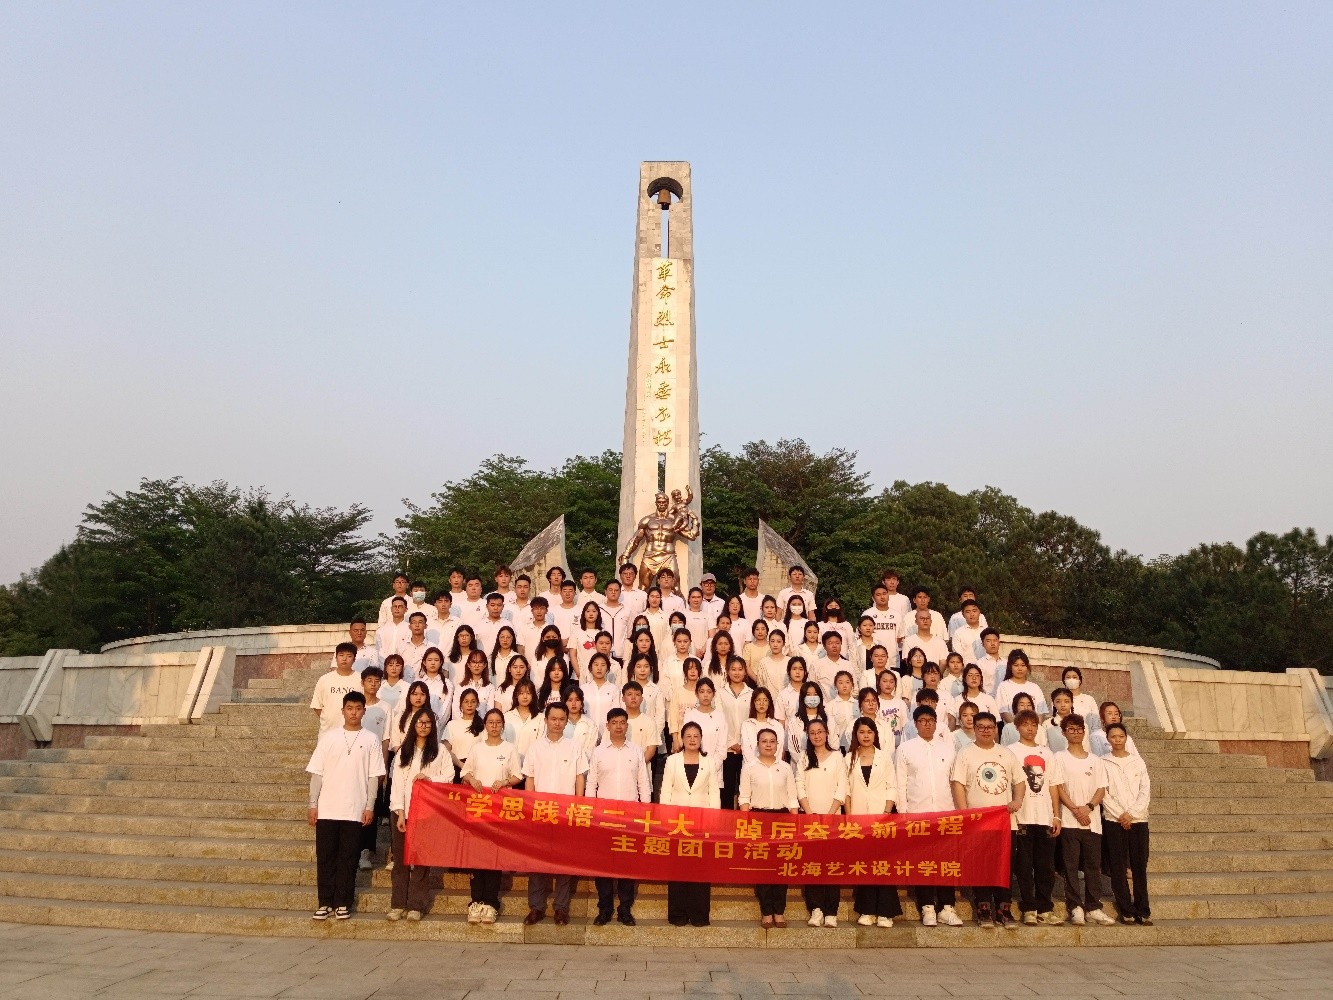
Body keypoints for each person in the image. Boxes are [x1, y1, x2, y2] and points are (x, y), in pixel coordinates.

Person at [306, 691, 386, 920]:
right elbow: (317, 774)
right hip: (327, 808)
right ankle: (325, 902)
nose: (353, 713)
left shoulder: (371, 739)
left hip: (355, 809)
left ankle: (343, 902)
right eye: (349, 708)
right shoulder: (328, 738)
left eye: (358, 708)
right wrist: (313, 804)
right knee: (326, 857)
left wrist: (370, 806)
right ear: (342, 711)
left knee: (349, 858)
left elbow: (374, 777)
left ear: (364, 711)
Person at [949, 712, 1024, 928]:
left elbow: (1020, 781)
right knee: (981, 865)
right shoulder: (965, 753)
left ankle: (1003, 908)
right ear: (974, 729)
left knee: (1004, 866)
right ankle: (983, 908)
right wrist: (965, 814)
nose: (985, 730)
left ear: (996, 729)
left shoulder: (1006, 753)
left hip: (1004, 821)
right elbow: (957, 784)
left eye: (990, 727)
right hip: (978, 821)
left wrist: (1017, 800)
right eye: (981, 727)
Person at [895, 705, 965, 927]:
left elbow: (955, 782)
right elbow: (900, 783)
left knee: (945, 862)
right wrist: (903, 813)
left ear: (936, 723)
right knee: (923, 862)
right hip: (918, 813)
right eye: (922, 721)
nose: (927, 724)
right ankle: (927, 907)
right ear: (915, 724)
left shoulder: (948, 749)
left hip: (945, 812)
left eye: (931, 720)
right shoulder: (905, 749)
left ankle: (947, 907)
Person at [522, 703, 588, 925]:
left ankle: (561, 907)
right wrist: (530, 807)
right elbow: (529, 779)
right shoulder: (535, 748)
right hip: (541, 812)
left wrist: (577, 805)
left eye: (561, 719)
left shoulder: (574, 747)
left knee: (564, 861)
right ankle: (536, 907)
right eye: (553, 719)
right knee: (536, 861)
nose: (557, 723)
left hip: (566, 813)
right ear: (546, 720)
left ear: (566, 721)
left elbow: (580, 777)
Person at [587, 707, 652, 925]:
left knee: (627, 864)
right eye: (614, 722)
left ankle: (625, 909)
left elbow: (643, 783)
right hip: (603, 817)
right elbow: (591, 784)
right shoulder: (598, 752)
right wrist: (592, 813)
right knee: (603, 865)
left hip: (630, 817)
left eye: (622, 722)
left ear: (627, 725)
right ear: (607, 725)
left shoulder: (636, 751)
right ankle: (604, 909)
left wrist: (645, 812)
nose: (618, 726)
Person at [386, 706, 449, 921]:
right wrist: (400, 812)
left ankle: (416, 905)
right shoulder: (404, 751)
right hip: (402, 811)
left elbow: (448, 777)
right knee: (401, 859)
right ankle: (398, 904)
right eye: (420, 722)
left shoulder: (440, 751)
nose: (423, 726)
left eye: (428, 723)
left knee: (421, 859)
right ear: (414, 725)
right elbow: (397, 784)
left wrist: (430, 779)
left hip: (427, 813)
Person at [461, 707, 522, 924]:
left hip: (498, 809)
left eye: (498, 722)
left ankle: (490, 903)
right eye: (490, 722)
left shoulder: (510, 748)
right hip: (478, 808)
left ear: (502, 725)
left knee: (493, 856)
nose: (494, 726)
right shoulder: (477, 748)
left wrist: (504, 782)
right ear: (485, 725)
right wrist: (472, 779)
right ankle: (475, 901)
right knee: (476, 856)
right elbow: (465, 772)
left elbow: (517, 776)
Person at [1054, 714, 1115, 926]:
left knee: (1092, 866)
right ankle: (1075, 907)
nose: (1076, 732)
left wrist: (1087, 808)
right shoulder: (1059, 758)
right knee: (1070, 866)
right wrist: (1075, 810)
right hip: (1070, 820)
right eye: (1071, 729)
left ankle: (1093, 907)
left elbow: (1101, 788)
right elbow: (1058, 787)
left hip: (1092, 821)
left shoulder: (1095, 760)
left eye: (1079, 729)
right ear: (1064, 733)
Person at [660, 720, 720, 925]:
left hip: (702, 823)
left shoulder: (709, 762)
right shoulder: (672, 761)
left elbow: (714, 793)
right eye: (688, 736)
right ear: (682, 739)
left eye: (696, 736)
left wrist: (713, 821)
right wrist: (666, 820)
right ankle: (677, 914)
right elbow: (666, 791)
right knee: (678, 868)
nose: (692, 740)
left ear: (701, 739)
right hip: (677, 823)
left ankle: (699, 914)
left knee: (700, 868)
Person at [846, 717, 902, 927]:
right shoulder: (849, 758)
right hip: (859, 819)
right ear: (856, 735)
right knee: (865, 864)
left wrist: (887, 812)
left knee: (883, 864)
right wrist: (850, 817)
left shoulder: (884, 757)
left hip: (882, 817)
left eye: (869, 732)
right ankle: (867, 910)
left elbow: (892, 786)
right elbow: (846, 790)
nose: (866, 736)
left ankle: (886, 912)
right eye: (862, 732)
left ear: (875, 735)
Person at [1011, 708, 1065, 926]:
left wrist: (1056, 816)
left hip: (1044, 817)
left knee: (1046, 867)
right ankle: (1029, 908)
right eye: (1025, 725)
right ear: (1017, 727)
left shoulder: (1047, 753)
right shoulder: (1010, 751)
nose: (1030, 729)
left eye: (1034, 725)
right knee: (1024, 866)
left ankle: (1045, 907)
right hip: (1021, 817)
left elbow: (1053, 785)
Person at [740, 727, 798, 927]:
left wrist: (795, 822)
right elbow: (744, 797)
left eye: (772, 741)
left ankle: (779, 911)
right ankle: (766, 911)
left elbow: (792, 797)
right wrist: (746, 822)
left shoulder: (785, 767)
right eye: (764, 741)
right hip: (759, 819)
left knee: (781, 866)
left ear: (777, 745)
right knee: (763, 867)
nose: (768, 745)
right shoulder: (749, 767)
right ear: (758, 745)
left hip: (782, 819)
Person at [1101, 722, 1152, 925]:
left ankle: (1143, 909)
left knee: (1139, 866)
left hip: (1138, 819)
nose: (1117, 740)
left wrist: (1132, 814)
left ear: (1126, 738)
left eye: (1121, 736)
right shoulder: (1103, 762)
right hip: (1114, 820)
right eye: (1113, 736)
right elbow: (1103, 792)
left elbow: (1145, 790)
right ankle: (1126, 909)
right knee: (1118, 865)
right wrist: (1120, 815)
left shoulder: (1137, 762)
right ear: (1108, 739)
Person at [796, 718, 846, 928]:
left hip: (833, 819)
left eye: (820, 732)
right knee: (813, 865)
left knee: (832, 865)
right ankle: (816, 909)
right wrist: (810, 814)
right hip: (810, 819)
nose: (817, 736)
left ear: (826, 733)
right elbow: (799, 785)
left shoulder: (837, 757)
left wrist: (830, 815)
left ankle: (831, 911)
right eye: (813, 733)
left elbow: (842, 786)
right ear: (808, 736)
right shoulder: (804, 758)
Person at [357, 667, 390, 871]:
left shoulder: (385, 708)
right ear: (362, 682)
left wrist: (383, 767)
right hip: (354, 763)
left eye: (377, 681)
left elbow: (386, 739)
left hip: (374, 764)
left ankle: (366, 851)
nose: (373, 684)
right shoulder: (355, 705)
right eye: (369, 680)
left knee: (372, 807)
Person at [717, 656, 754, 809]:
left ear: (745, 671)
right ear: (727, 671)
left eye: (740, 669)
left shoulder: (751, 693)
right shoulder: (720, 693)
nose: (737, 673)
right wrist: (732, 742)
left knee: (746, 789)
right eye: (733, 669)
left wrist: (744, 744)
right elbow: (720, 720)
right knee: (727, 788)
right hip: (728, 748)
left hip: (748, 749)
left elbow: (753, 720)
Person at [682, 677, 728, 784]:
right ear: (696, 694)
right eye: (702, 692)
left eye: (709, 692)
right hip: (692, 768)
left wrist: (710, 768)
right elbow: (687, 743)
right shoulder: (690, 715)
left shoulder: (720, 716)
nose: (705, 695)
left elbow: (722, 748)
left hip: (714, 771)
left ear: (714, 694)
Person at [311, 643, 364, 735]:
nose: (344, 659)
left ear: (354, 659)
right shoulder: (324, 679)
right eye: (341, 655)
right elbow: (317, 706)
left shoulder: (361, 679)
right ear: (336, 658)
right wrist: (328, 718)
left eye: (349, 656)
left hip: (354, 733)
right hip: (327, 732)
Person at [995, 650, 1048, 724]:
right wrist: (1016, 727)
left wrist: (1036, 727)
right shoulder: (1004, 686)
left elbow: (1041, 711)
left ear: (1027, 667)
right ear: (1010, 667)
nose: (1020, 669)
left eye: (1023, 665)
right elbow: (1004, 712)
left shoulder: (1035, 687)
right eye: (1016, 665)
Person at [443, 688, 485, 781]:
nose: (469, 705)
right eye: (466, 701)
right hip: (457, 768)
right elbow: (446, 751)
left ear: (477, 704)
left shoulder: (483, 725)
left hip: (478, 770)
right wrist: (462, 765)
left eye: (473, 701)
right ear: (461, 704)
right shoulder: (452, 725)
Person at [581, 652, 623, 741]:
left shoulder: (614, 689)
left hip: (607, 735)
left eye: (603, 665)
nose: (599, 668)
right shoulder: (583, 689)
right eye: (596, 665)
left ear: (607, 669)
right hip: (587, 734)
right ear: (590, 668)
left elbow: (616, 714)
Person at [502, 678, 543, 766]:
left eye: (528, 693)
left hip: (532, 765)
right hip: (510, 764)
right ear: (516, 695)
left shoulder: (540, 717)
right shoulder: (507, 716)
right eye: (521, 693)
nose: (525, 696)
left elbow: (541, 744)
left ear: (533, 696)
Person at [742, 688, 786, 765]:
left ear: (769, 703)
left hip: (773, 767)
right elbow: (746, 750)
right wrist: (757, 767)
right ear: (754, 702)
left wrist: (769, 767)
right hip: (751, 768)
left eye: (765, 700)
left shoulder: (777, 725)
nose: (761, 703)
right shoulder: (747, 724)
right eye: (758, 700)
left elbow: (778, 751)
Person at [450, 650, 495, 722]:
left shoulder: (490, 687)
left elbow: (489, 711)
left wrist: (479, 724)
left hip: (481, 725)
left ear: (485, 665)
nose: (477, 665)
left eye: (480, 662)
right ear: (468, 665)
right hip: (462, 725)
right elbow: (455, 711)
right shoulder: (460, 687)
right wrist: (465, 724)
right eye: (474, 662)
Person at [375, 596, 410, 665]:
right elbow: (378, 651)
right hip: (384, 667)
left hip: (405, 666)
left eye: (400, 607)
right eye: (395, 606)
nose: (397, 609)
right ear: (391, 609)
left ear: (406, 609)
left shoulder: (410, 630)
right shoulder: (381, 630)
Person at [473, 593, 509, 657]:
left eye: (499, 605)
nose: (496, 608)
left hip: (502, 660)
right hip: (482, 661)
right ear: (487, 606)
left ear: (503, 606)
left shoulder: (508, 624)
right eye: (492, 605)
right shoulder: (478, 624)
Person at [975, 628, 1006, 694]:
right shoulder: (979, 664)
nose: (992, 643)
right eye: (988, 641)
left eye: (995, 640)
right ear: (983, 644)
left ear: (999, 643)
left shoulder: (1006, 663)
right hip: (987, 697)